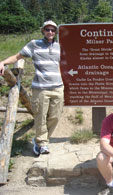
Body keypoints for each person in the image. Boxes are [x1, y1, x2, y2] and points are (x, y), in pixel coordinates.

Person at [0, 20, 64, 156]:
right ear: (43, 31)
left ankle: (41, 139)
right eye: (47, 29)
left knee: (55, 117)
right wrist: (3, 62)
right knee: (40, 117)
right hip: (40, 88)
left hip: (58, 87)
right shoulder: (34, 44)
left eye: (53, 30)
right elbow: (18, 56)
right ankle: (42, 144)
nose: (50, 32)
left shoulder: (60, 45)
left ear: (56, 32)